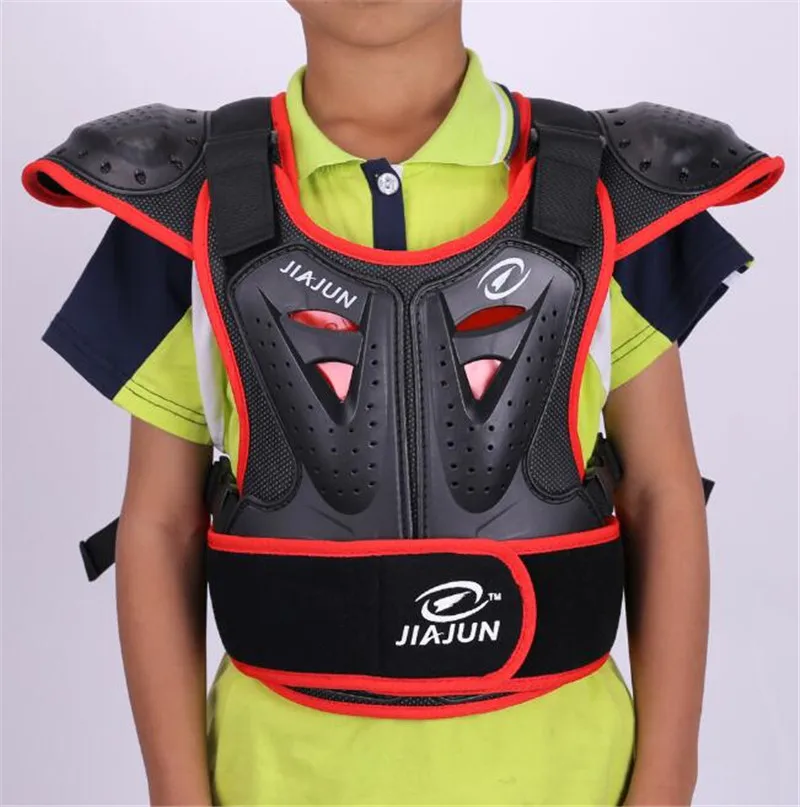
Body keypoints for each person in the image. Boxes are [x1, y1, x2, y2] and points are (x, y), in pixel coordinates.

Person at [22, 1, 784, 805]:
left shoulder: (611, 193)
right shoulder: (188, 207)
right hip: (275, 779)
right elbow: (160, 522)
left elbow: (662, 492)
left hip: (573, 777)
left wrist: (667, 781)